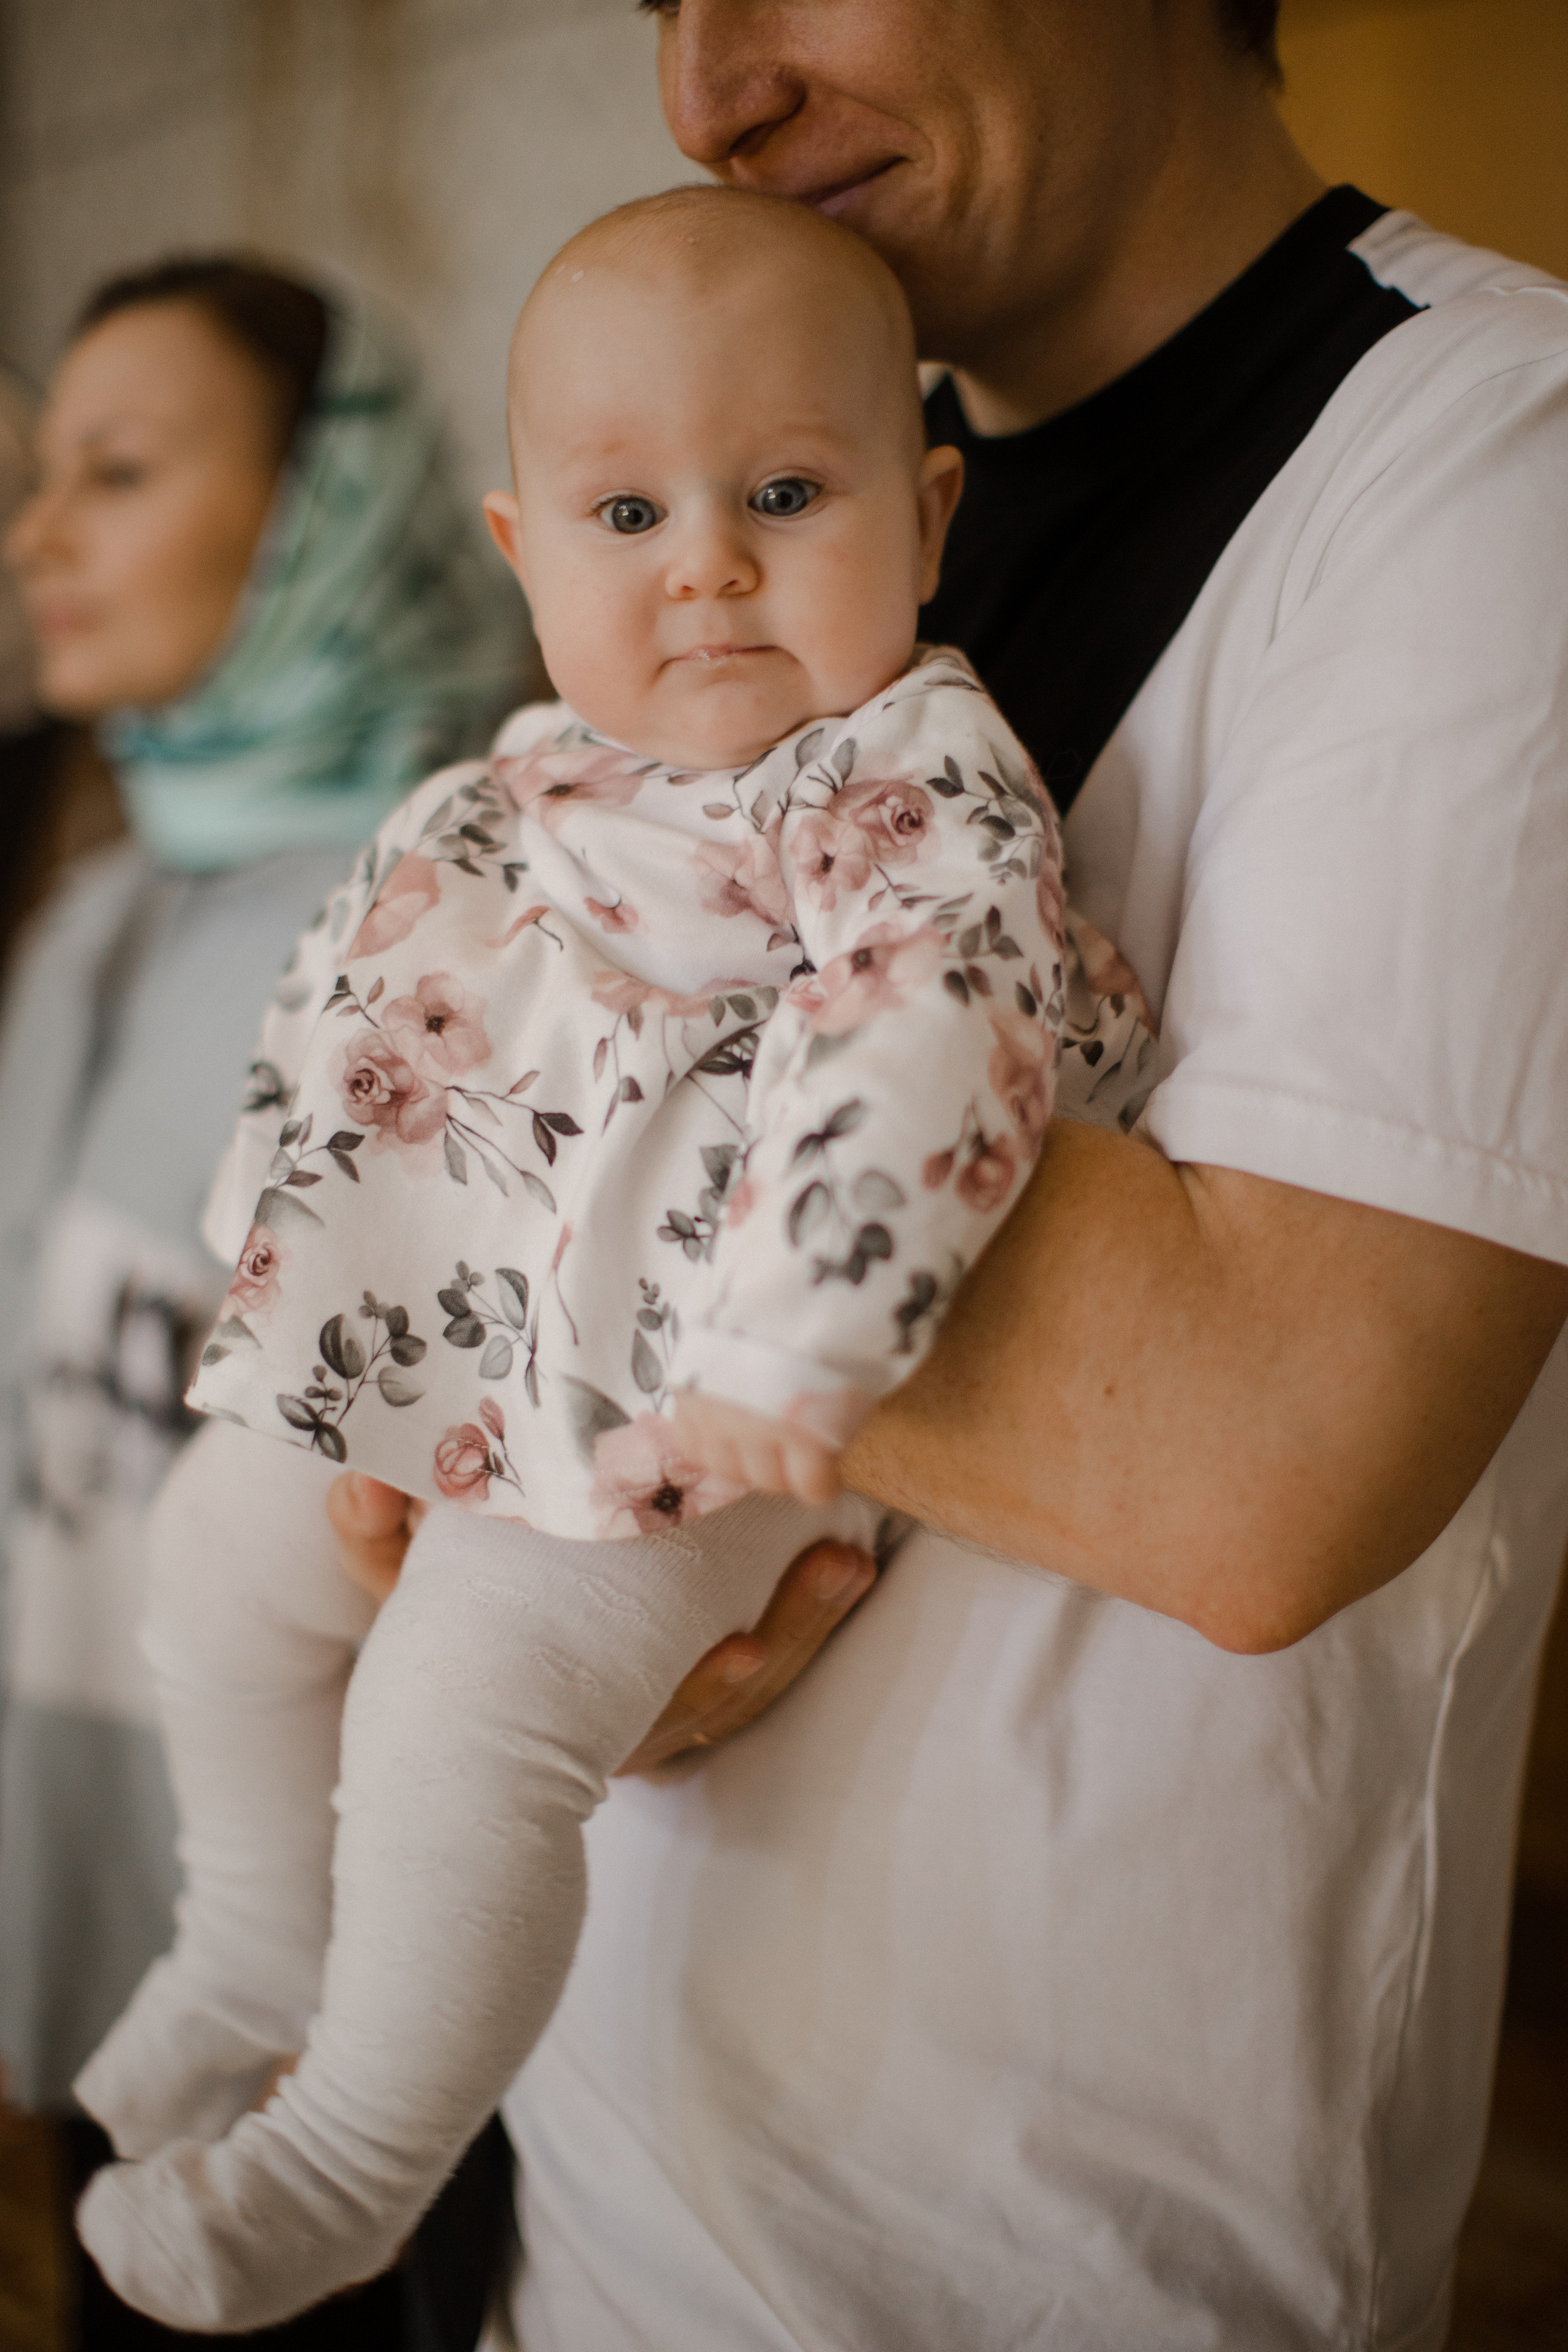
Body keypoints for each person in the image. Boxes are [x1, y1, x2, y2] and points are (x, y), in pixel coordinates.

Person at [330, 4, 1568, 2346]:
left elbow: (1258, 1449)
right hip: (576, 2197)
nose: (714, 94)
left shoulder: (1488, 457)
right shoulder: (772, 486)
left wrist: (459, 1083)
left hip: (1016, 2277)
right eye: (661, 3)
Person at [70, 188, 1145, 2331]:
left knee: (472, 1698)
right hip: (462, 1342)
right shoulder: (517, 785)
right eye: (629, 509)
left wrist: (802, 1341)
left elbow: (937, 1033)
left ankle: (361, 2148)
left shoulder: (907, 781)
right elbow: (350, 1004)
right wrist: (261, 1248)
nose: (710, 565)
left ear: (926, 518)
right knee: (211, 1563)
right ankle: (252, 1936)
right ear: (520, 553)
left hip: (715, 1395)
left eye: (783, 494)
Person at [0, 254, 522, 2346]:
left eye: (114, 473)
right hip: (97, 1868)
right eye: (43, 476)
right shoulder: (102, 884)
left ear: (321, 516)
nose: (39, 535)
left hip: (350, 1958)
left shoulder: (474, 906)